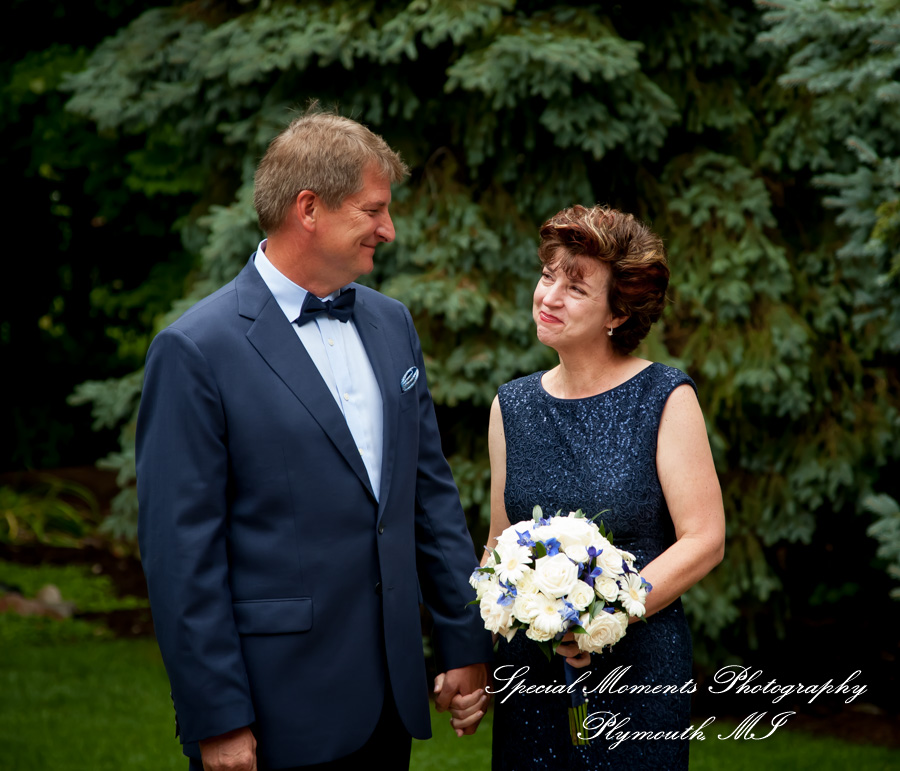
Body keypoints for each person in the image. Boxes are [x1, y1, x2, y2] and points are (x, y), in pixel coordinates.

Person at [136, 107, 492, 771]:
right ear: (309, 209)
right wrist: (218, 718)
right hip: (276, 710)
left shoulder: (392, 323)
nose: (388, 229)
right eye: (373, 210)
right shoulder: (195, 350)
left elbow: (428, 494)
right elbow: (181, 556)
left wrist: (464, 640)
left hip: (388, 705)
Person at [455, 205, 725, 768]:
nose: (549, 297)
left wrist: (608, 614)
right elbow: (500, 543)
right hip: (532, 673)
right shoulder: (512, 405)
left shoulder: (664, 397)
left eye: (575, 288)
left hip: (639, 667)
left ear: (617, 313)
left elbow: (704, 539)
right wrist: (473, 656)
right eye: (547, 276)